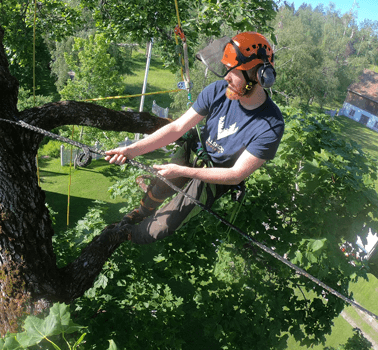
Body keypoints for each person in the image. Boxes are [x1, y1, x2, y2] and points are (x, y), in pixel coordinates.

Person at [105, 32, 285, 244]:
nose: (226, 77)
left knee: (164, 225)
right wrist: (131, 150)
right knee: (160, 184)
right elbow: (177, 128)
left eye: (233, 72)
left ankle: (128, 235)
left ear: (257, 76)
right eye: (226, 70)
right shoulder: (219, 91)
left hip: (217, 175)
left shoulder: (270, 125)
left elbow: (236, 174)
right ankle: (140, 212)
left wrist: (181, 171)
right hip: (196, 150)